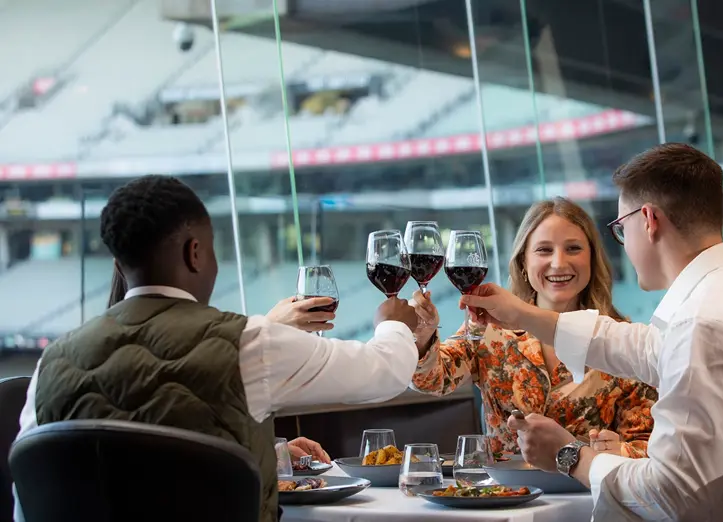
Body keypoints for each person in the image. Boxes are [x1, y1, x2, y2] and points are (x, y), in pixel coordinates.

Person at [458, 143, 723, 522]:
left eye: (620, 228)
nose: (624, 245)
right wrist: (524, 314)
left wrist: (569, 456)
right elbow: (645, 347)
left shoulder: (704, 322)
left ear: (648, 220)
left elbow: (672, 496)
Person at [13, 175, 421, 522]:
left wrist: (266, 449)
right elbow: (382, 371)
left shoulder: (51, 363)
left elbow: (35, 497)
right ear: (195, 253)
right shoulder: (249, 343)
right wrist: (394, 325)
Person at [409, 197, 656, 456]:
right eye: (544, 250)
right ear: (523, 263)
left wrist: (617, 451)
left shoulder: (622, 340)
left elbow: (648, 446)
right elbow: (431, 380)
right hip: (506, 492)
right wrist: (424, 336)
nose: (559, 263)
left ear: (592, 260)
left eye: (573, 248)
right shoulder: (487, 329)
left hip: (584, 493)